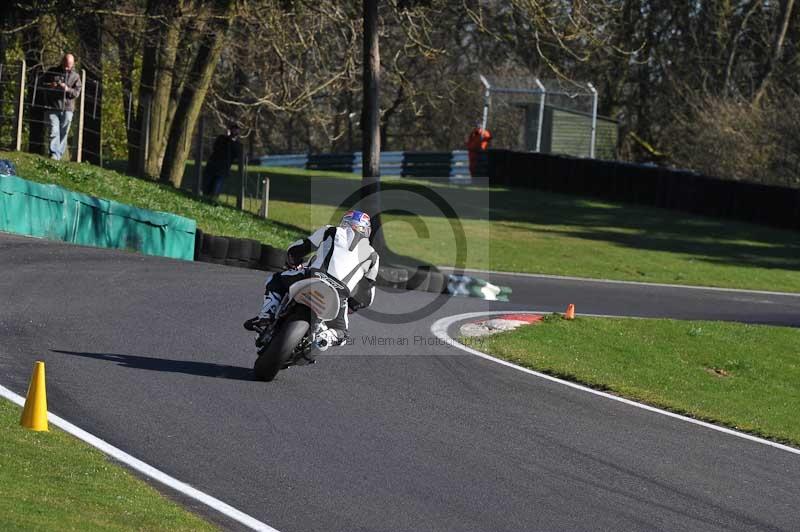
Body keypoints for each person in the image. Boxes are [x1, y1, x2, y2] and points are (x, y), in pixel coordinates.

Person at [243, 210, 380, 348]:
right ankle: (327, 337)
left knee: (276, 280)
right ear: (367, 231)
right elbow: (367, 293)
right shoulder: (373, 256)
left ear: (344, 223)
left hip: (313, 277)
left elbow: (298, 248)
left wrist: (293, 262)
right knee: (342, 333)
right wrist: (353, 305)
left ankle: (266, 316)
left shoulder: (331, 231)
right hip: (340, 293)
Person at [42, 53, 82, 161]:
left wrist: (67, 89)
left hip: (68, 109)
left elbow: (77, 92)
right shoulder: (52, 71)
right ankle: (54, 155)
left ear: (72, 64)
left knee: (64, 133)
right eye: (65, 63)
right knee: (53, 131)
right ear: (62, 61)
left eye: (69, 65)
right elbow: (41, 84)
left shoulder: (76, 76)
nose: (66, 67)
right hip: (52, 106)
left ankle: (58, 155)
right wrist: (51, 85)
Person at [202, 124, 242, 199]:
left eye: (236, 131)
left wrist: (230, 140)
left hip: (223, 168)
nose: (234, 133)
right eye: (233, 130)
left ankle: (213, 199)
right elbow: (216, 147)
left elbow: (236, 154)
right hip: (213, 164)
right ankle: (206, 197)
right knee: (207, 184)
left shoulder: (237, 145)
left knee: (217, 185)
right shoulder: (221, 138)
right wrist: (227, 138)